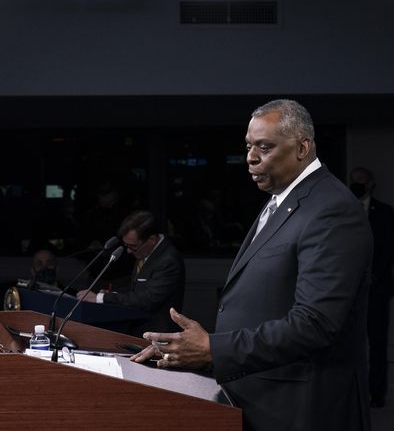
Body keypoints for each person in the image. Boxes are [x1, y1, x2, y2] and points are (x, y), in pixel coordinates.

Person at [132, 99, 373, 431]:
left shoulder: (331, 210)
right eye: (249, 146)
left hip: (301, 408)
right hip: (258, 393)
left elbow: (316, 323)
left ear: (302, 147)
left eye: (265, 147)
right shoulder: (280, 201)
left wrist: (213, 349)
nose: (250, 157)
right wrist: (184, 352)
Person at [77, 210, 185, 335]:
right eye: (126, 245)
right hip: (138, 331)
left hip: (157, 335)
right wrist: (113, 293)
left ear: (152, 239)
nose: (128, 251)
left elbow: (147, 299)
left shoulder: (168, 260)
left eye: (133, 246)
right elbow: (137, 288)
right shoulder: (145, 252)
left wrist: (102, 298)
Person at [350, 166, 394, 408]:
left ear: (370, 184)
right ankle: (353, 394)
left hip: (377, 290)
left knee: (377, 344)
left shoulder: (385, 212)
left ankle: (376, 394)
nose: (357, 185)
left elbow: (391, 249)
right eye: (354, 181)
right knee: (349, 344)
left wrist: (373, 276)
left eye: (361, 181)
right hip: (349, 292)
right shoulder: (344, 210)